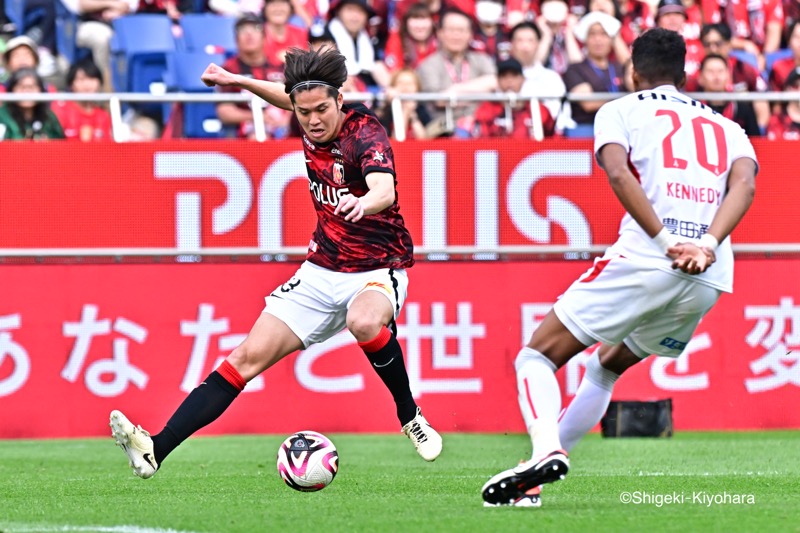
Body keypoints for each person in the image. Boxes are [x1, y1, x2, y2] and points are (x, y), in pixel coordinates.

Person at [109, 46, 443, 479]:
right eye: (304, 112)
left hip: (378, 268)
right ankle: (156, 447)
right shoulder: (306, 111)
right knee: (245, 358)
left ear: (339, 100)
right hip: (321, 269)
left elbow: (385, 189)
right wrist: (239, 81)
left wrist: (364, 203)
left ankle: (409, 416)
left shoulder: (365, 133)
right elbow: (285, 95)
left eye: (322, 109)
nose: (313, 120)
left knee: (364, 322)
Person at [481, 27, 757, 507]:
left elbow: (616, 171)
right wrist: (707, 244)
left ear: (633, 70)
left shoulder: (621, 109)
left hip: (650, 257)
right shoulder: (727, 126)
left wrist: (668, 241)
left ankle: (547, 449)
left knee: (537, 356)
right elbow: (745, 187)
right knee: (606, 367)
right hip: (710, 274)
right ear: (686, 72)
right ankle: (535, 479)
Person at [217, 14, 291, 139]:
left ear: (264, 37)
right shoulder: (228, 70)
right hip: (246, 131)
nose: (249, 34)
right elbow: (225, 112)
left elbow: (295, 101)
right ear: (236, 39)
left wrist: (285, 120)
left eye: (255, 28)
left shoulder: (281, 67)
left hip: (282, 128)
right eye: (243, 30)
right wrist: (258, 117)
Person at [473, 58, 555, 139]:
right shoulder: (487, 110)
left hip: (532, 151)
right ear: (498, 80)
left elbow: (553, 139)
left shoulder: (538, 110)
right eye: (504, 76)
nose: (509, 81)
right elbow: (481, 139)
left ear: (523, 79)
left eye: (514, 76)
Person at [696, 53, 760, 137]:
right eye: (710, 71)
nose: (716, 76)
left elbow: (755, 141)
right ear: (700, 78)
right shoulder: (693, 109)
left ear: (728, 76)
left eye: (720, 71)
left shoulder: (743, 109)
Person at [52, 56, 113, 141]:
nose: (87, 85)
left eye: (91, 79)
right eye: (81, 79)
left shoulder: (103, 115)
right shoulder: (60, 111)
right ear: (71, 84)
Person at [0, 68, 65, 140]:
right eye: (22, 87)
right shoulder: (2, 115)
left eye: (32, 87)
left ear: (41, 91)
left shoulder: (49, 116)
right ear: (12, 90)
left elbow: (60, 142)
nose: (27, 92)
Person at [766, 66, 800, 140]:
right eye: (795, 86)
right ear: (787, 88)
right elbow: (773, 149)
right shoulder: (776, 121)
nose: (799, 90)